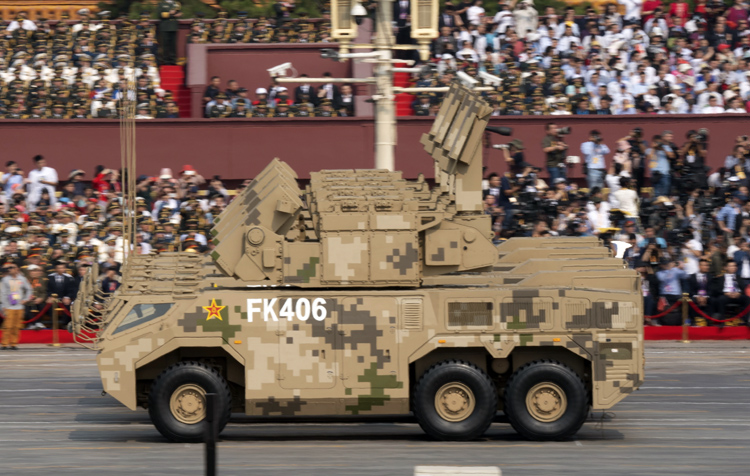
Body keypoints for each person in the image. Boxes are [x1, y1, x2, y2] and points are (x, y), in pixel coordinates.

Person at [1, 262, 32, 350]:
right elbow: (3, 293)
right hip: (9, 306)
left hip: (19, 306)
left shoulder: (22, 279)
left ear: (17, 269)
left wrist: (25, 299)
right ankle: (4, 344)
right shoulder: (5, 279)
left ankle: (14, 343)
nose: (11, 269)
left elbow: (29, 289)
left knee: (16, 326)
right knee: (7, 326)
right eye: (9, 268)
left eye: (13, 268)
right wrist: (4, 305)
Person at [711, 260, 750, 325]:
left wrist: (739, 293)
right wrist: (726, 293)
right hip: (726, 295)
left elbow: (743, 289)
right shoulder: (720, 278)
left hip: (737, 295)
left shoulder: (739, 278)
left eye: (734, 266)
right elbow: (716, 290)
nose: (733, 267)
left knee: (747, 299)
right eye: (731, 266)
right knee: (721, 299)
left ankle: (744, 320)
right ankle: (722, 321)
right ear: (725, 267)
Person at [655, 258, 687, 325]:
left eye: (667, 264)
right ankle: (660, 321)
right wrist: (669, 269)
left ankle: (685, 321)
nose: (666, 265)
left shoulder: (675, 270)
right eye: (664, 264)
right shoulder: (659, 273)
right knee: (660, 306)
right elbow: (663, 279)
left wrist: (682, 268)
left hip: (676, 294)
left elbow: (685, 276)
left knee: (685, 304)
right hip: (665, 294)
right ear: (661, 265)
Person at [688, 259, 713, 325]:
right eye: (704, 265)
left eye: (707, 265)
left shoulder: (710, 277)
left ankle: (709, 321)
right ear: (699, 266)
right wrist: (697, 297)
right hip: (696, 296)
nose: (706, 267)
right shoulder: (692, 277)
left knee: (713, 300)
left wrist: (705, 297)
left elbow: (711, 290)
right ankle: (692, 321)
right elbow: (691, 290)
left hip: (706, 296)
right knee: (690, 301)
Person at [158, 0, 181, 65]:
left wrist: (179, 14)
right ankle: (165, 61)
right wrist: (170, 13)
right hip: (165, 27)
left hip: (173, 27)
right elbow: (160, 14)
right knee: (165, 45)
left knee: (173, 45)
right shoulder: (162, 4)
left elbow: (178, 12)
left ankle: (173, 60)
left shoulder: (175, 3)